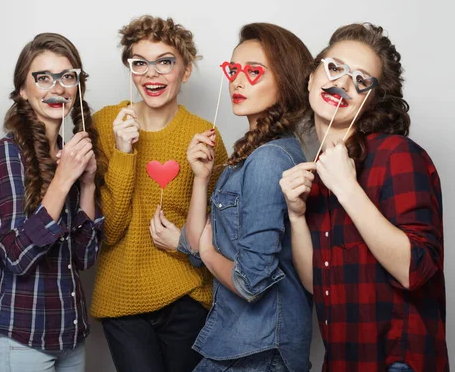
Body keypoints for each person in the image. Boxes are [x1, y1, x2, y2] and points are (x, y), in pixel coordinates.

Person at [280, 23, 449, 372]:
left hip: (397, 361)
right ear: (312, 76)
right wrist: (296, 215)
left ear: (372, 100)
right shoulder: (321, 172)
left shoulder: (397, 155)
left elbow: (414, 270)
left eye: (360, 80)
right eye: (334, 67)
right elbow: (317, 283)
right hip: (344, 361)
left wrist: (347, 188)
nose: (342, 83)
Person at [90, 15, 228, 372]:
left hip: (187, 296)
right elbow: (111, 229)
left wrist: (184, 240)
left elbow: (223, 233)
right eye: (140, 63)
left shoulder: (204, 135)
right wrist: (124, 152)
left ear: (185, 71)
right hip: (124, 296)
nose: (151, 74)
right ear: (130, 69)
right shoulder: (106, 124)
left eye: (165, 62)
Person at [180, 23, 313, 372]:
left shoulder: (269, 159)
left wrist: (207, 252)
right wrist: (201, 178)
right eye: (234, 69)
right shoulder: (249, 156)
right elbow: (195, 244)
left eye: (253, 72)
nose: (237, 82)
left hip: (259, 349)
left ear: (284, 80)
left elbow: (250, 282)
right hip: (239, 341)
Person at [0, 32, 103, 372]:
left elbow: (84, 257)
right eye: (43, 78)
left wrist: (88, 184)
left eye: (67, 77)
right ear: (22, 90)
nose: (57, 88)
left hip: (70, 336)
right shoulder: (7, 154)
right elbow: (15, 257)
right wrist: (63, 179)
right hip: (22, 338)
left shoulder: (69, 155)